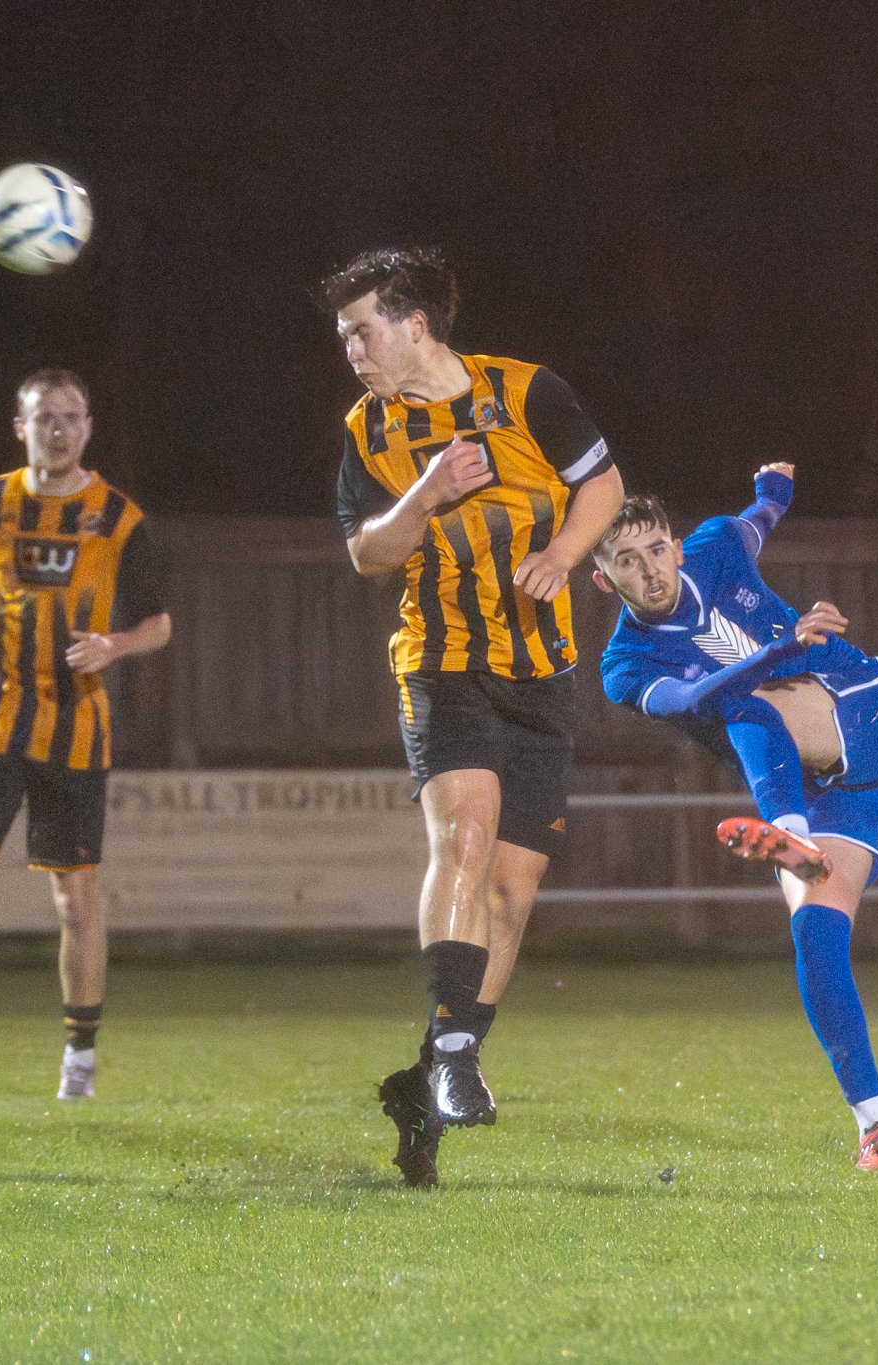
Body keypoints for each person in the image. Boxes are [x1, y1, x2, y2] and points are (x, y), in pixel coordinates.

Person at [323, 247, 625, 1187]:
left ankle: (429, 1078)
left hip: (540, 667)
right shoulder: (370, 430)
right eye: (343, 336)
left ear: (415, 322)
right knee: (466, 835)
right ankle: (455, 1055)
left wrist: (567, 554)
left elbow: (604, 488)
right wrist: (427, 492)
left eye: (362, 329)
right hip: (441, 660)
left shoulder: (528, 393)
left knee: (513, 892)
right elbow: (369, 553)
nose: (352, 349)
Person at [593, 465, 878, 1170]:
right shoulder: (625, 663)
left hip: (872, 704)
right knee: (816, 935)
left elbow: (755, 520)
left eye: (656, 549)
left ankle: (791, 836)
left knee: (749, 703)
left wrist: (775, 491)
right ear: (604, 579)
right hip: (829, 780)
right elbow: (686, 703)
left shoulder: (715, 546)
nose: (648, 569)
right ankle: (876, 1128)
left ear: (677, 546)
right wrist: (781, 647)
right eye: (626, 560)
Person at [0, 368, 170, 1102]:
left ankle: (80, 1059)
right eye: (44, 417)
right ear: (19, 426)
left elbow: (158, 622)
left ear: (88, 427)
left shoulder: (117, 517)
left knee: (74, 900)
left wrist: (113, 646)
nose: (58, 428)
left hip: (74, 728)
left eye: (71, 416)